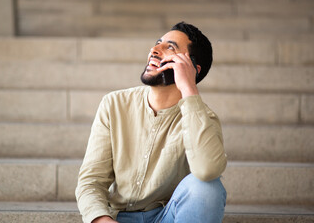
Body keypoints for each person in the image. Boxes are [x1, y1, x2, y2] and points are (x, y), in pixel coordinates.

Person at [75, 22, 227, 223]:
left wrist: (189, 89)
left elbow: (207, 171)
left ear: (192, 68)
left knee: (209, 188)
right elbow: (91, 181)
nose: (154, 50)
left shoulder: (203, 118)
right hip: (118, 218)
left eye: (169, 47)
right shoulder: (114, 104)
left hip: (167, 217)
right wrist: (102, 220)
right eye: (157, 44)